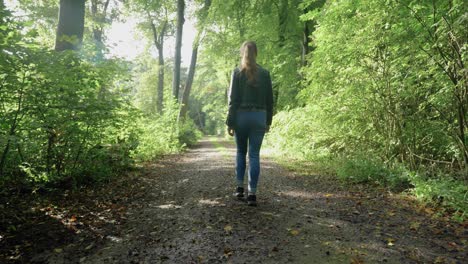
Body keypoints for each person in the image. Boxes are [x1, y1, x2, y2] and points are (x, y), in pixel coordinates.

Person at [226, 41, 273, 206]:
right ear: (256, 53)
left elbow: (232, 100)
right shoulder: (265, 74)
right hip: (259, 116)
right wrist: (268, 121)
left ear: (242, 53)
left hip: (241, 117)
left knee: (240, 152)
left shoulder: (237, 73)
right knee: (254, 155)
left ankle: (239, 189)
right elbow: (270, 100)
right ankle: (252, 194)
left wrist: (230, 122)